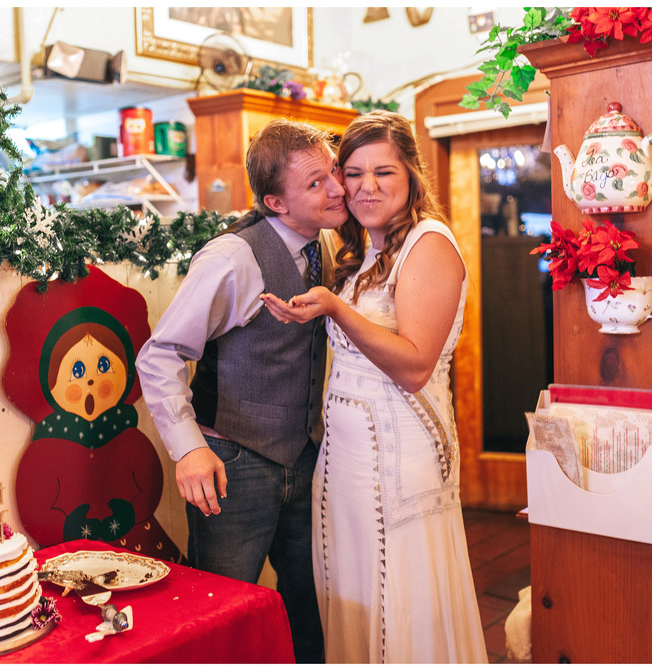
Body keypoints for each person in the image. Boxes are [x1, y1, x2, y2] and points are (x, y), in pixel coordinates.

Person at [260, 110, 489, 664]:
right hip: (347, 462)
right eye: (352, 172)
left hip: (400, 455)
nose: (364, 187)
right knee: (357, 596)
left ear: (412, 174)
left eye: (383, 172)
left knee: (400, 599)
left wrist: (334, 307)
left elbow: (413, 366)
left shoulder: (429, 244)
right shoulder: (363, 252)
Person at [137, 118, 347, 663]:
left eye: (333, 175)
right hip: (233, 466)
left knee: (308, 604)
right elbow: (160, 356)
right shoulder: (231, 258)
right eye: (317, 183)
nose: (338, 189)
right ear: (276, 202)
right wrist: (189, 448)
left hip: (305, 459)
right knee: (220, 610)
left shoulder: (326, 243)